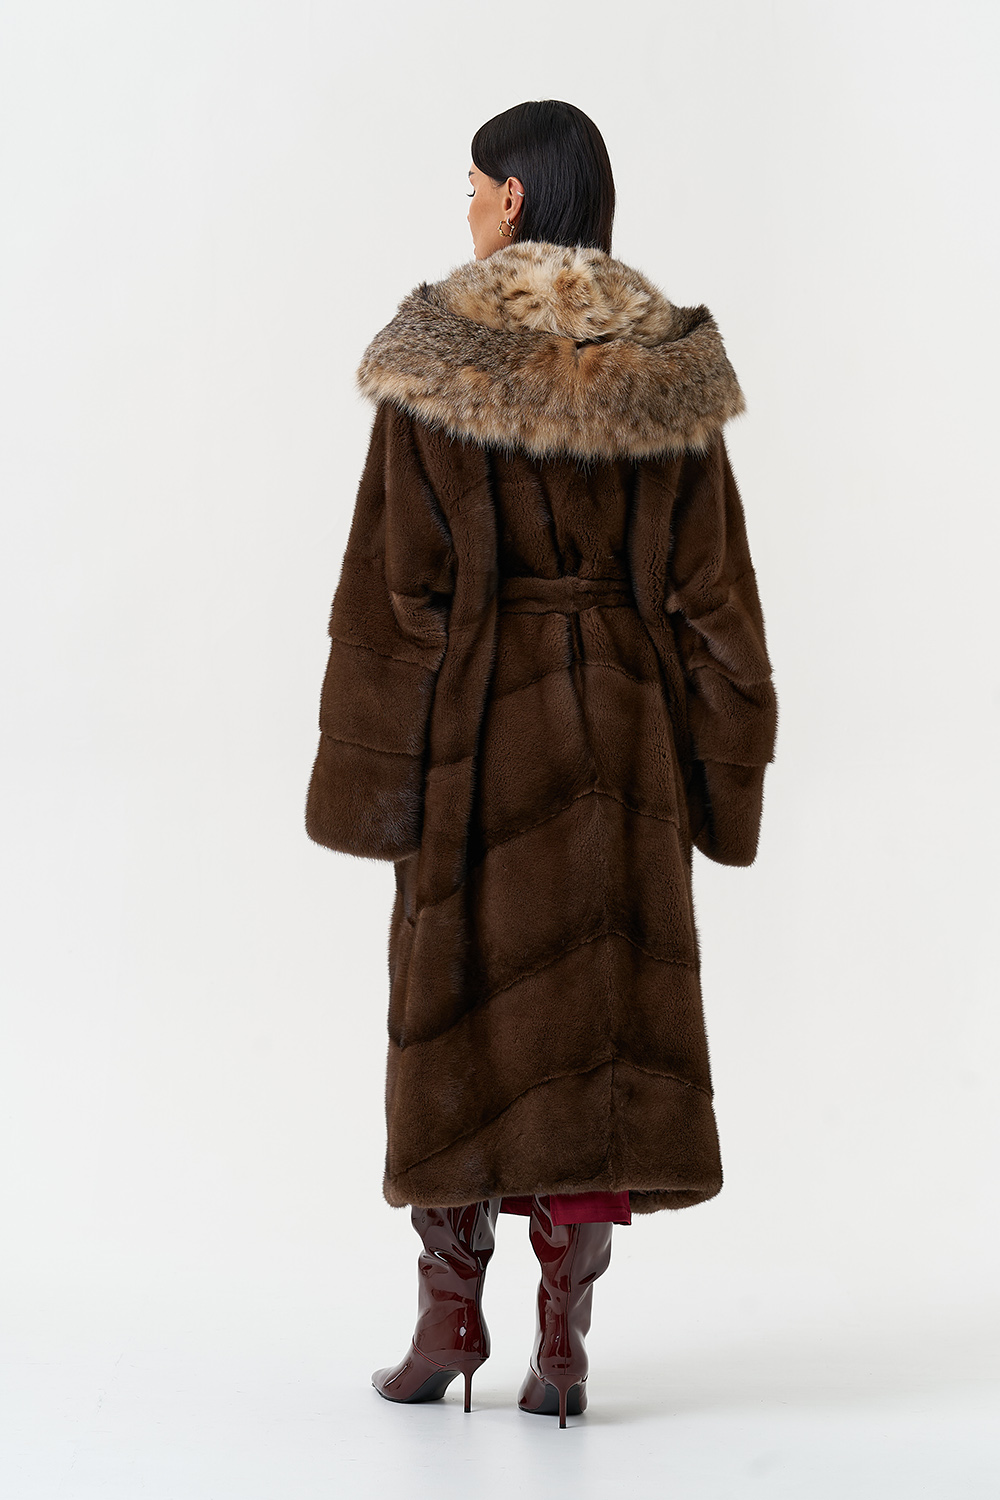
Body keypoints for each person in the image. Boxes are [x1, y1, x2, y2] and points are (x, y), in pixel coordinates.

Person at [304, 100, 779, 1428]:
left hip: (477, 739)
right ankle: (562, 1346)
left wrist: (378, 781)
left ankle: (448, 1319)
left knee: (455, 1018)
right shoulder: (663, 365)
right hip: (623, 738)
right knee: (597, 1035)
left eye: (472, 182)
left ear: (513, 196)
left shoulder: (439, 357)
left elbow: (398, 588)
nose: (464, 205)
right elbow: (713, 594)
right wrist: (722, 766)